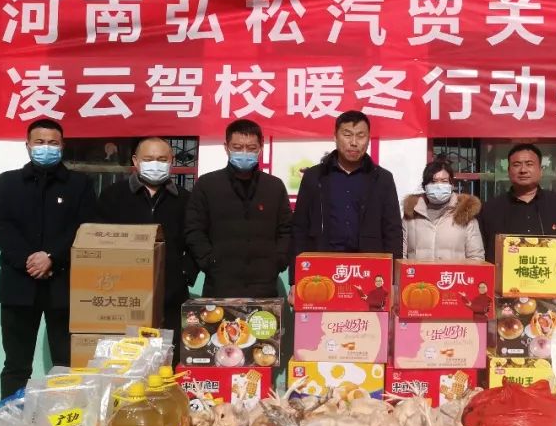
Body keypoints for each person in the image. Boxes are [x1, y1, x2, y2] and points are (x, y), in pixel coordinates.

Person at [0, 119, 97, 398]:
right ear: (28, 145)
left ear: (62, 146)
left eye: (52, 143)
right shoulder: (8, 182)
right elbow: (0, 226)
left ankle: (65, 417)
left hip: (64, 285)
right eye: (39, 142)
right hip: (18, 285)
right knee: (16, 363)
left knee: (66, 362)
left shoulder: (80, 184)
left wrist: (52, 258)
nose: (46, 148)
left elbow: (84, 227)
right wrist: (29, 260)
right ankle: (12, 415)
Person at [97, 137, 197, 342]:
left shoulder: (185, 199)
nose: (155, 164)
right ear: (135, 161)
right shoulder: (113, 196)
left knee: (170, 351)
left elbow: (196, 239)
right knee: (128, 352)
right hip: (123, 292)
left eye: (162, 159)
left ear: (171, 161)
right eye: (149, 159)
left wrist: (186, 272)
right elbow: (98, 238)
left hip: (171, 293)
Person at [185, 119, 292, 298]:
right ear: (226, 147)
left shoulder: (274, 186)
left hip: (264, 285)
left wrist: (278, 261)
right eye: (237, 147)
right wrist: (209, 262)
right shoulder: (207, 184)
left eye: (251, 148)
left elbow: (286, 230)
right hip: (219, 284)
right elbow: (194, 229)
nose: (244, 153)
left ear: (261, 148)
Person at [291, 110, 403, 274]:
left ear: (368, 139)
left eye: (360, 136)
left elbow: (393, 231)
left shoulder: (382, 179)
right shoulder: (314, 176)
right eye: (347, 135)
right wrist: (295, 278)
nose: (354, 142)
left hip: (369, 269)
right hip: (322, 266)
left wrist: (394, 277)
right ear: (335, 137)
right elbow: (299, 228)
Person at [477, 143, 556, 263]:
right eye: (516, 165)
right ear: (509, 171)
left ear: (540, 170)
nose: (523, 170)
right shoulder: (490, 209)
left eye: (529, 164)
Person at [402, 161, 484, 261]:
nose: (438, 185)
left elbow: (476, 257)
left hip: (453, 272)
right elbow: (401, 256)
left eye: (444, 181)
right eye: (433, 181)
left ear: (451, 185)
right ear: (425, 186)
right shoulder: (411, 215)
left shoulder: (465, 214)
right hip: (418, 272)